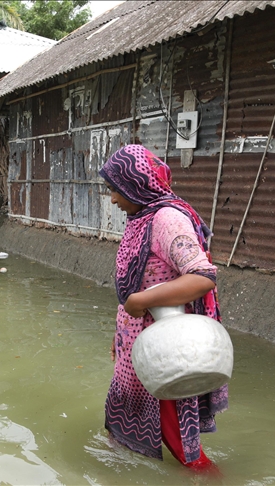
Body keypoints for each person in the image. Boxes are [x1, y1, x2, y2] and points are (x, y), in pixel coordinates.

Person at [99, 144, 227, 472]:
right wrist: (120, 336)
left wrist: (141, 301)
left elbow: (202, 277)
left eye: (114, 190)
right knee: (121, 423)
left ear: (135, 184)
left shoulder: (167, 219)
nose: (112, 198)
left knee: (185, 450)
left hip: (165, 351)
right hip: (136, 347)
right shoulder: (140, 217)